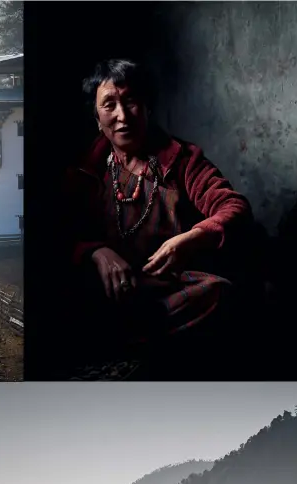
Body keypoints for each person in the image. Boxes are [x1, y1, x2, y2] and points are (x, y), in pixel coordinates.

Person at [63, 59, 258, 376]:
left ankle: (130, 340)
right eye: (109, 105)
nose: (123, 116)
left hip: (167, 288)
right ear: (97, 118)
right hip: (110, 290)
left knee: (220, 294)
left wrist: (193, 238)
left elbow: (233, 207)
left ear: (147, 106)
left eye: (131, 101)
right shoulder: (87, 171)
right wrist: (95, 252)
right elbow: (61, 232)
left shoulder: (182, 160)